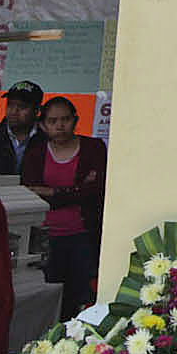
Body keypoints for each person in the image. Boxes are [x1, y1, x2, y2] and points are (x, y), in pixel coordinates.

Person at [25, 95, 110, 321]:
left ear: (75, 120)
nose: (59, 126)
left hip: (84, 235)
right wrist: (74, 191)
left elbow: (95, 192)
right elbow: (31, 191)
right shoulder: (36, 153)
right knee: (51, 296)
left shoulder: (93, 148)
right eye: (52, 121)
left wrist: (53, 192)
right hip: (47, 237)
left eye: (65, 119)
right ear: (43, 125)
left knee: (85, 296)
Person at [0, 81, 43, 175]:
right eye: (10, 105)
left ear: (37, 110)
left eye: (22, 107)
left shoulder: (47, 139)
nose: (14, 111)